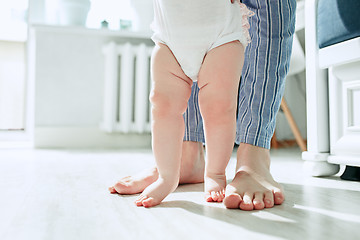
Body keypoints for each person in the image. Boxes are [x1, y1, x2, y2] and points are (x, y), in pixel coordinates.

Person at [109, 0, 297, 211]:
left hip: (220, 34)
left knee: (218, 108)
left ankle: (218, 171)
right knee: (163, 105)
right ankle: (169, 174)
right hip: (170, 35)